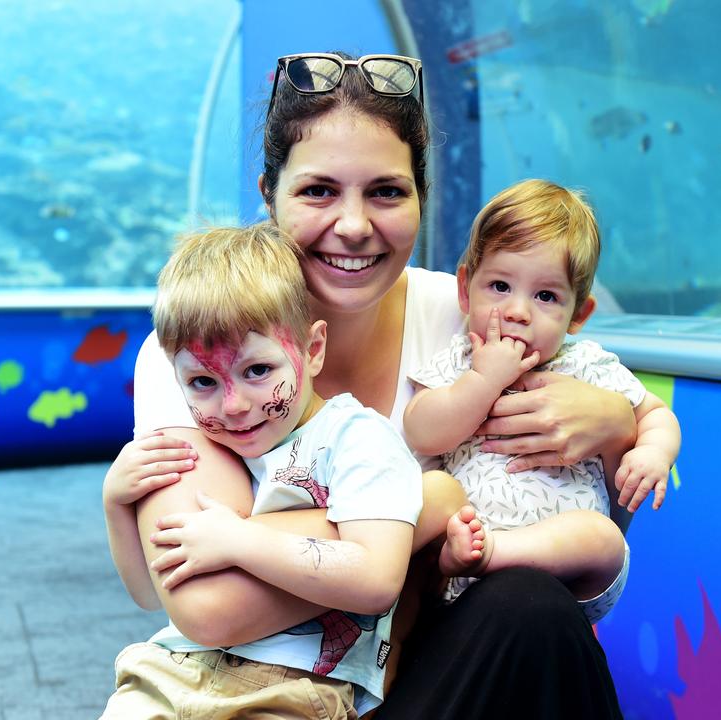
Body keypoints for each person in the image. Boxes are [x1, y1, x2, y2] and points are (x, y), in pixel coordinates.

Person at [122, 51, 639, 719]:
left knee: (531, 607)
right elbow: (208, 607)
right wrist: (420, 510)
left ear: (423, 197)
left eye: (386, 191)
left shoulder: (478, 320)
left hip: (436, 672)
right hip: (273, 694)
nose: (355, 225)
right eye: (318, 191)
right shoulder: (195, 353)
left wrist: (618, 425)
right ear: (267, 194)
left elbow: (594, 555)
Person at [102, 224, 424, 717]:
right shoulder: (209, 448)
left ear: (313, 350)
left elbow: (377, 576)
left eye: (257, 371)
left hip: (293, 688)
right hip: (170, 669)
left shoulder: (357, 439)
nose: (233, 405)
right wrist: (116, 505)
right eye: (203, 380)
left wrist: (239, 540)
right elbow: (149, 596)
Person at [403, 179, 681, 623]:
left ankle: (495, 553)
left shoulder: (586, 364)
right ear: (464, 289)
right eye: (499, 286)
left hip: (567, 573)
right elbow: (421, 430)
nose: (517, 310)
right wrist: (481, 380)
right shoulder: (459, 360)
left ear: (578, 315)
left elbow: (654, 413)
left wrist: (653, 451)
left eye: (546, 296)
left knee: (602, 538)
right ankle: (479, 551)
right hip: (465, 565)